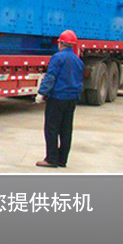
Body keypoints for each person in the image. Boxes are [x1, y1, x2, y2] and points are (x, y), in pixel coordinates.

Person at [35, 30, 84, 168]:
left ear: (61, 43)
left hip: (57, 98)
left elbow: (51, 76)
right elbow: (80, 81)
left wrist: (41, 93)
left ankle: (51, 159)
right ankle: (62, 159)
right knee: (66, 129)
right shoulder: (78, 61)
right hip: (71, 99)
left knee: (52, 128)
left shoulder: (57, 58)